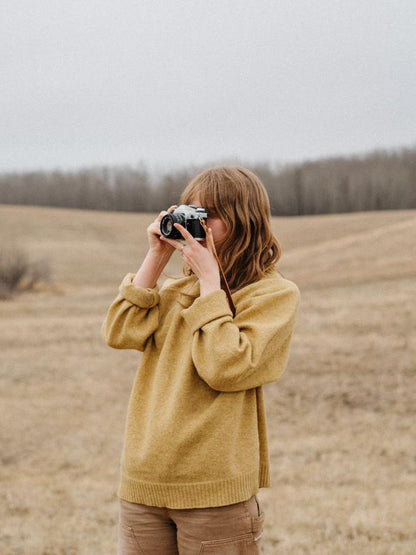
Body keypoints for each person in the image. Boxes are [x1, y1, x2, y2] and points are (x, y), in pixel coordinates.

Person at [101, 165, 301, 554]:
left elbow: (226, 367)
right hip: (144, 484)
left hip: (215, 492)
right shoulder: (176, 290)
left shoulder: (272, 296)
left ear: (244, 221)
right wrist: (155, 258)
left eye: (207, 215)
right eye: (189, 212)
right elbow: (118, 332)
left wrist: (211, 286)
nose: (195, 225)